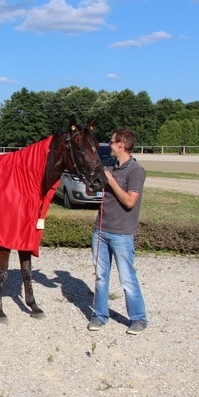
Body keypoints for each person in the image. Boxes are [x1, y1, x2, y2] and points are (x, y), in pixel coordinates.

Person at [88, 129, 148, 335]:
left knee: (127, 277)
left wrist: (111, 181)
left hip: (122, 233)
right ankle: (99, 315)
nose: (110, 145)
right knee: (100, 276)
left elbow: (130, 201)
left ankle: (138, 318)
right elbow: (94, 191)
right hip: (101, 231)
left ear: (121, 144)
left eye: (112, 142)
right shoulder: (110, 168)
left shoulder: (136, 171)